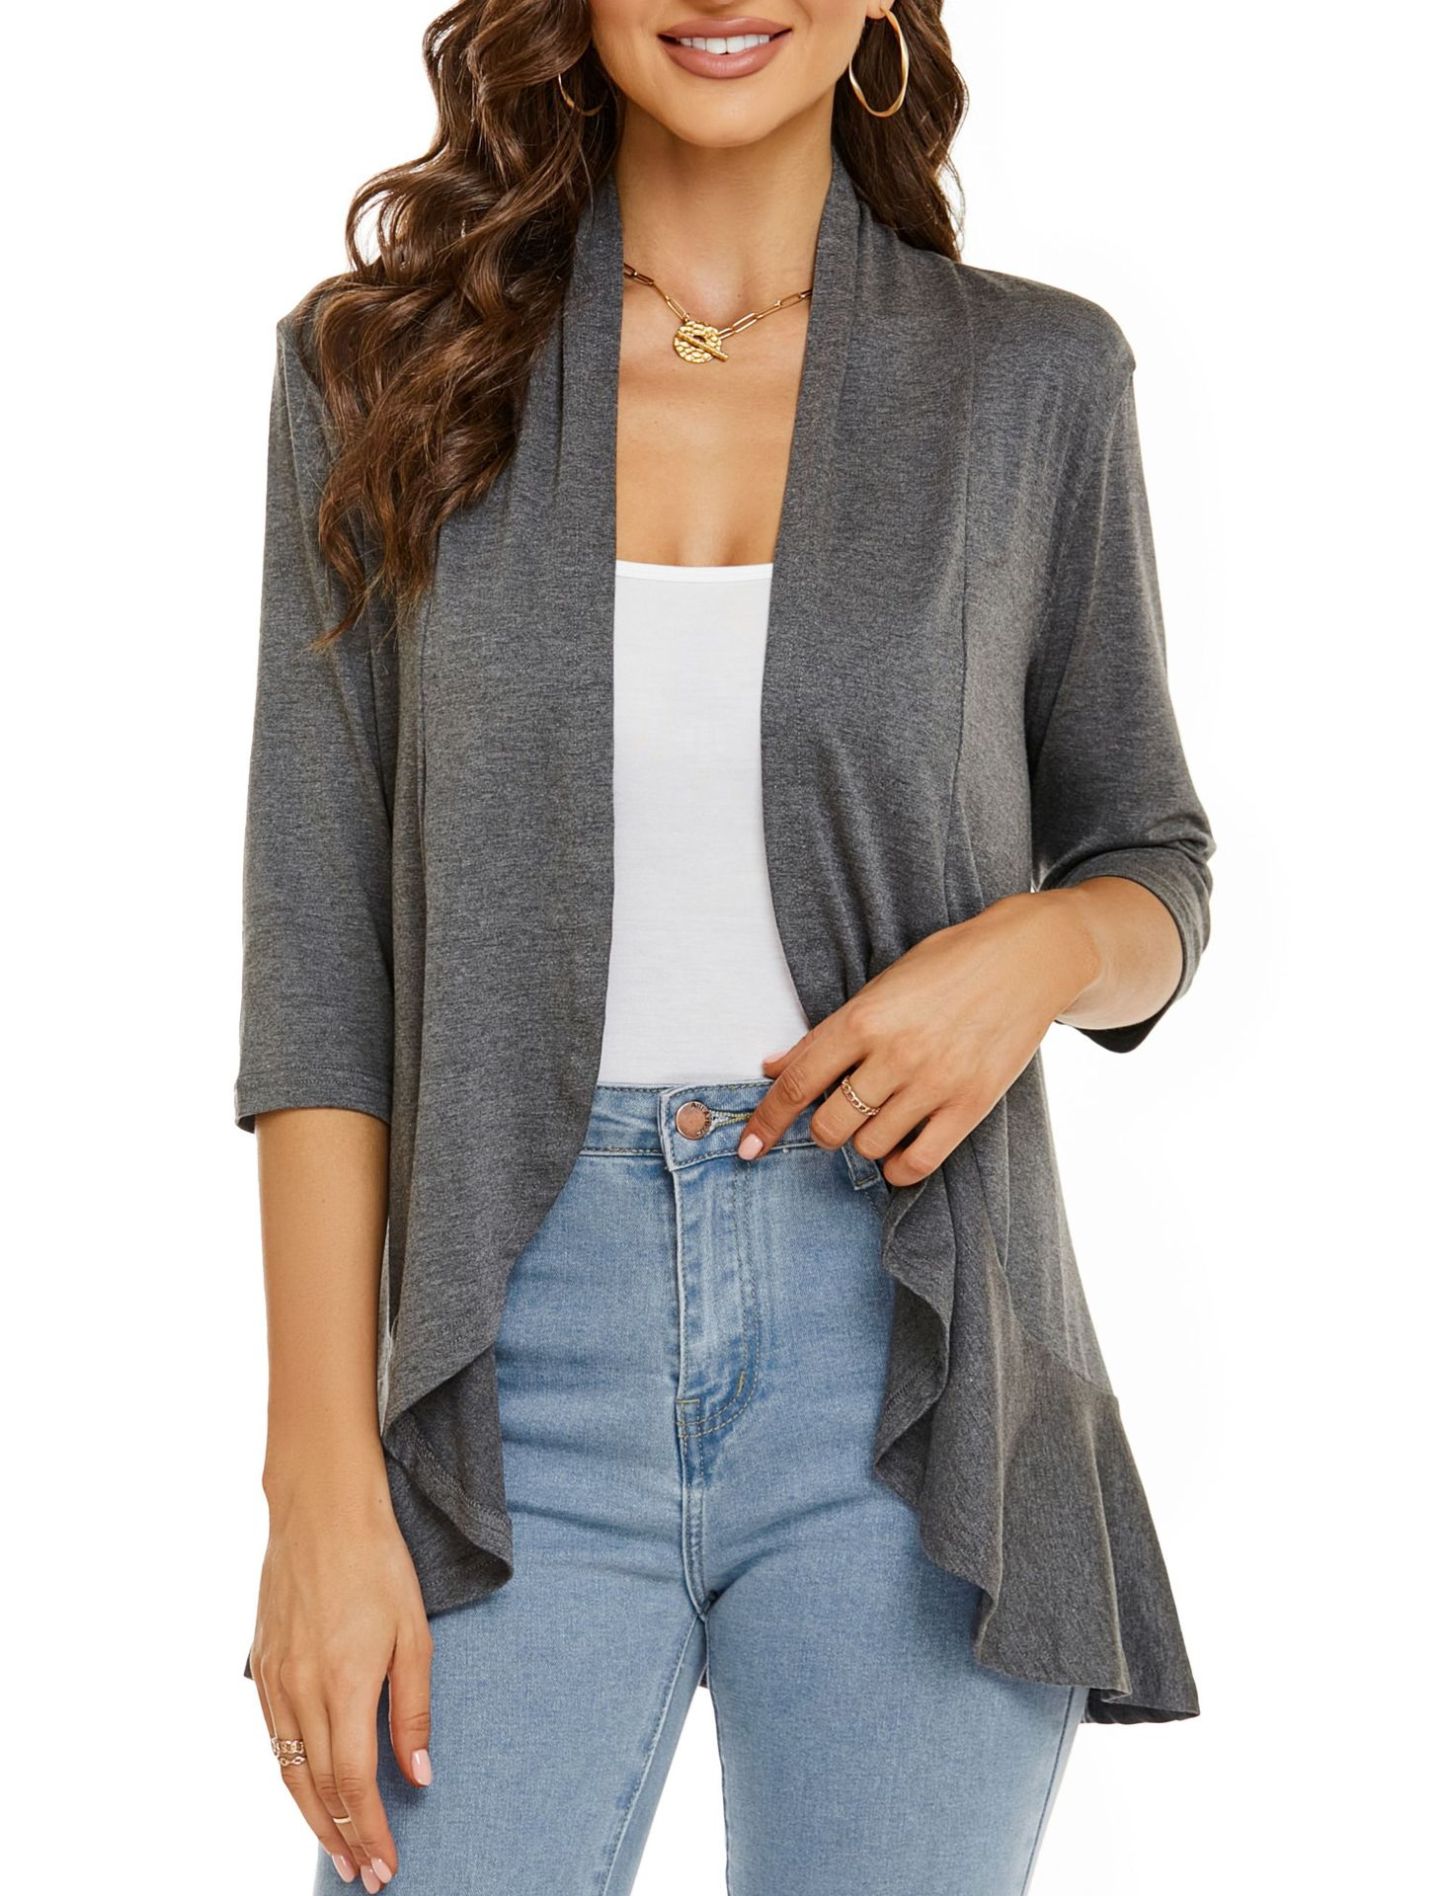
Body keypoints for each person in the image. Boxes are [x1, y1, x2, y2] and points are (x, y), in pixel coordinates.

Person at [234, 3, 1216, 1891]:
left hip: (909, 1368)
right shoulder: (378, 371)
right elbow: (317, 968)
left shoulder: (1030, 379)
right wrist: (317, 1485)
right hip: (504, 1380)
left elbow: (1149, 860)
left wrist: (1034, 952)